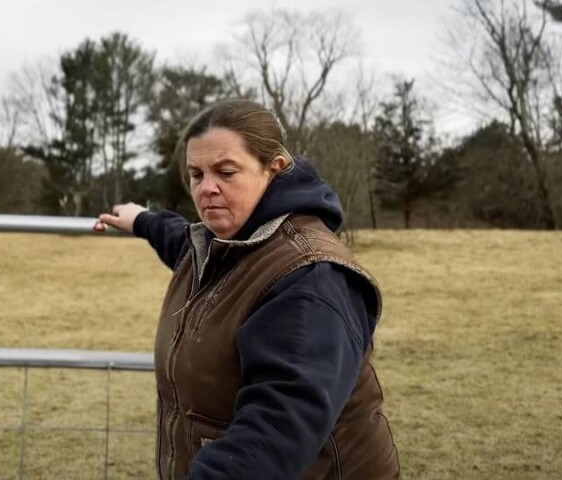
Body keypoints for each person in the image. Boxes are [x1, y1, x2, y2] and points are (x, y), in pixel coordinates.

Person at [95, 99, 399, 479]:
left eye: (226, 172)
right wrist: (142, 219)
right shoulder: (225, 245)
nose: (207, 189)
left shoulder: (311, 278)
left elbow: (273, 435)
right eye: (196, 174)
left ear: (274, 169)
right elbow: (183, 243)